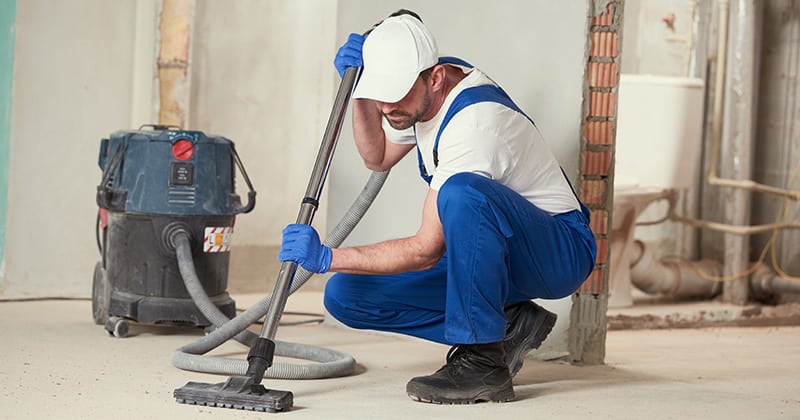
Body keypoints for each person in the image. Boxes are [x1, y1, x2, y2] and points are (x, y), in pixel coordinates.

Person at [278, 11, 597, 404]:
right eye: (381, 93)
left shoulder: (476, 126)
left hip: (558, 251)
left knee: (462, 194)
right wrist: (358, 93)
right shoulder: (415, 94)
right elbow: (377, 156)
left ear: (435, 78)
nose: (389, 106)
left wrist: (327, 256)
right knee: (345, 294)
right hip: (497, 251)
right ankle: (511, 322)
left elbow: (426, 249)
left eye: (396, 93)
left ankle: (483, 363)